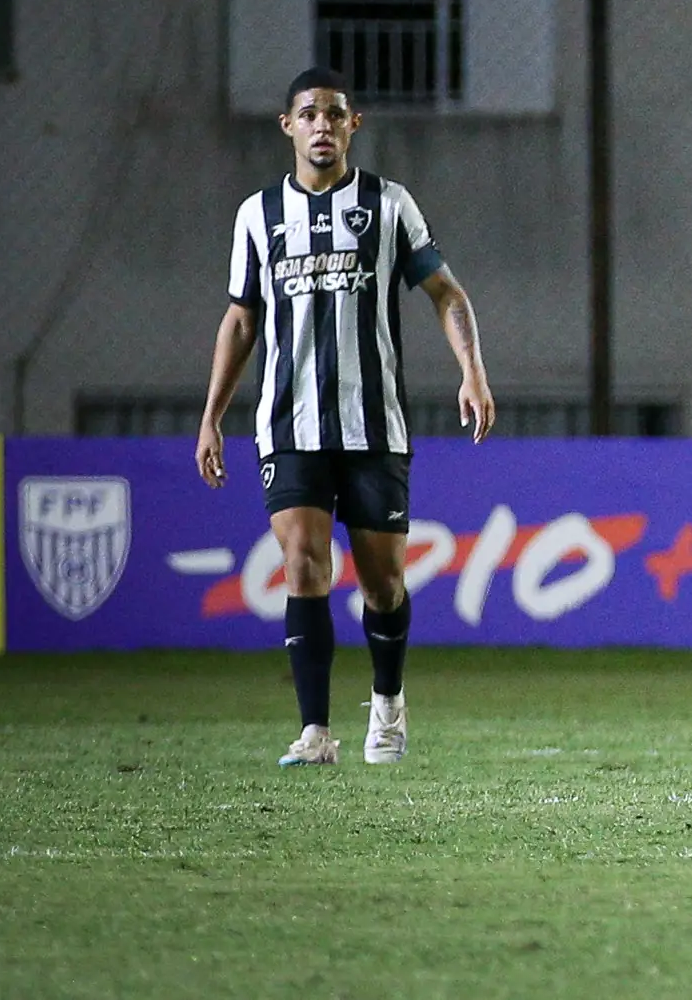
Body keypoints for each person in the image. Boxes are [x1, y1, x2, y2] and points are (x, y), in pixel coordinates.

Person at [195, 66, 496, 767]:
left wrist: (473, 370)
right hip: (288, 424)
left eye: (334, 114)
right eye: (309, 114)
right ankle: (314, 732)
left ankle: (387, 704)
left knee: (382, 582)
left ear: (353, 125)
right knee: (303, 564)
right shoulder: (257, 215)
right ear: (288, 127)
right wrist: (211, 416)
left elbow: (446, 292)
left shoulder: (388, 205)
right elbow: (241, 320)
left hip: (373, 424)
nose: (322, 126)